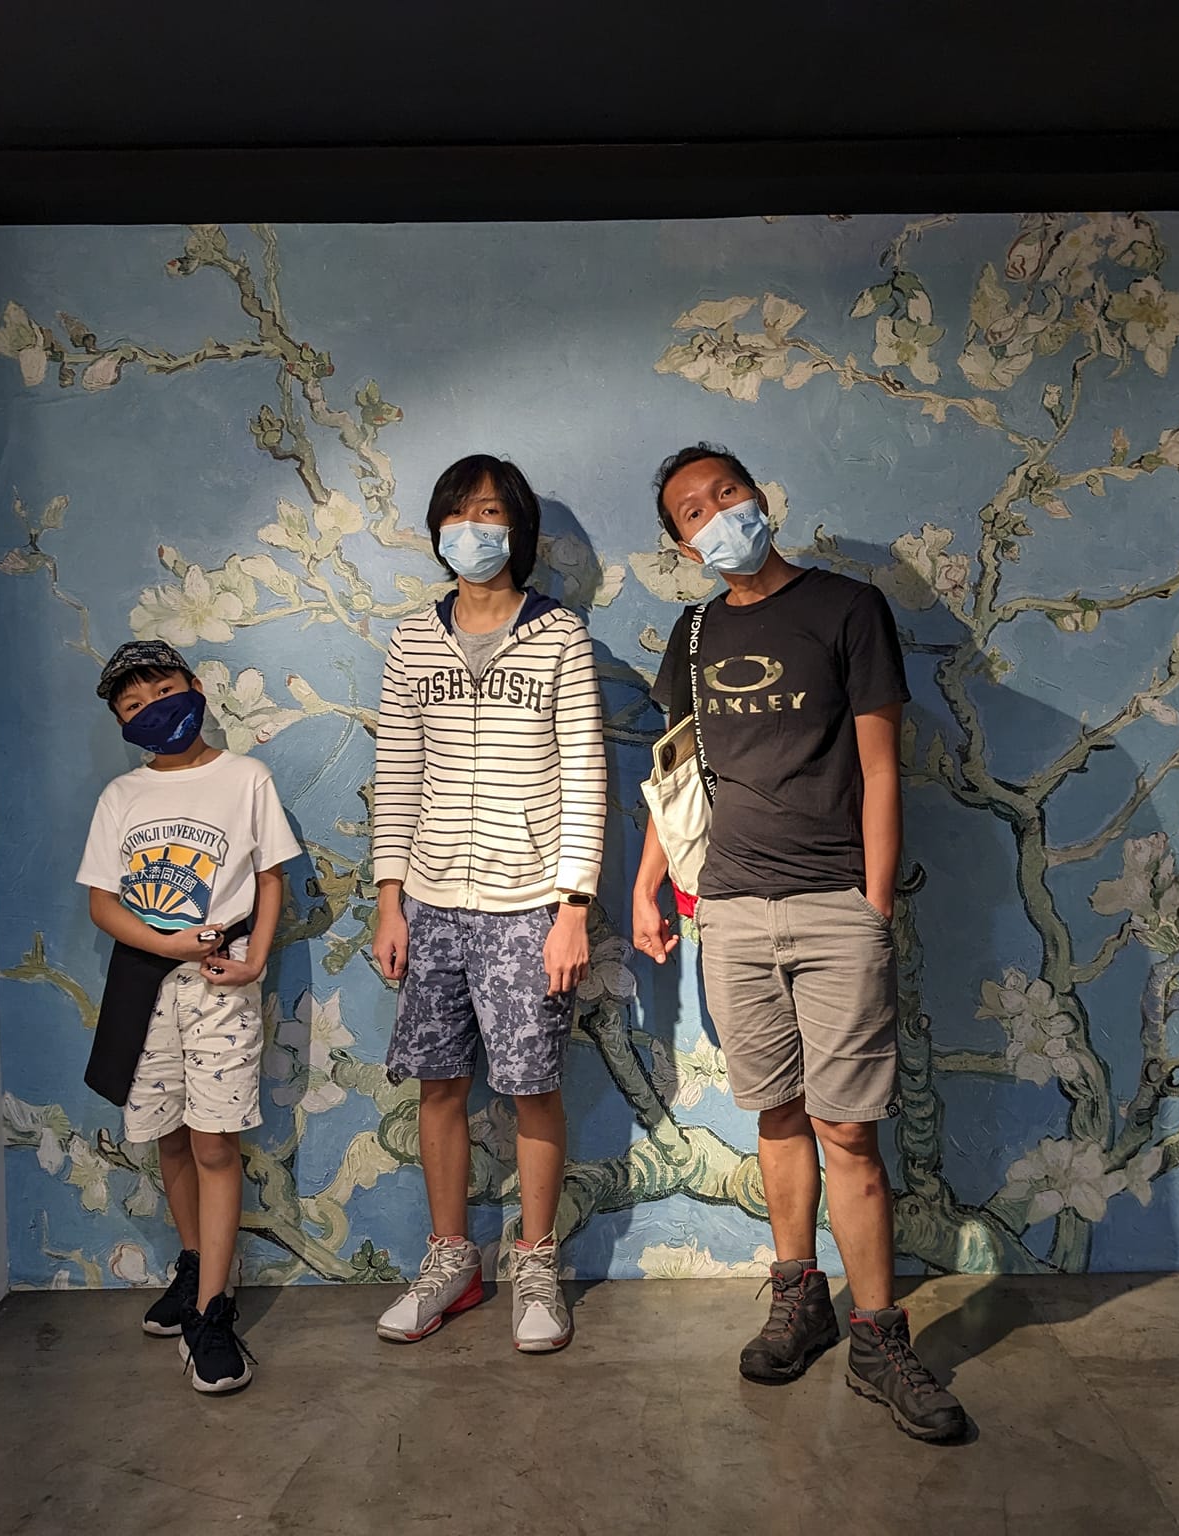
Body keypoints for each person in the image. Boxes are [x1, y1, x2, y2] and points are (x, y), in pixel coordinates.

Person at [631, 443, 969, 1444]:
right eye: (691, 512)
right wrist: (648, 884)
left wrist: (873, 904)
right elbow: (676, 774)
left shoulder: (846, 609)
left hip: (833, 904)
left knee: (847, 1130)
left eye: (724, 493)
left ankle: (878, 1337)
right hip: (730, 908)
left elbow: (880, 766)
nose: (715, 515)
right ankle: (798, 1298)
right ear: (682, 545)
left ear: (758, 496)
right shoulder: (693, 634)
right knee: (775, 1113)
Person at [370, 453, 608, 1353]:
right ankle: (450, 1260)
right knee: (440, 1084)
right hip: (430, 901)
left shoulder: (559, 636)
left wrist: (572, 908)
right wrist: (389, 901)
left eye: (492, 513)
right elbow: (397, 775)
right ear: (438, 528)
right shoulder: (411, 641)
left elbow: (585, 773)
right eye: (460, 512)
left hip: (529, 902)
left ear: (518, 531)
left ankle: (536, 1263)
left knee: (533, 1085)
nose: (474, 528)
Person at [76, 639, 299, 1394]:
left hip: (218, 981)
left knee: (213, 1140)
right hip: (143, 982)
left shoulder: (245, 778)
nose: (153, 710)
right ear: (120, 724)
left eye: (163, 692)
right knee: (168, 1134)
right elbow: (102, 901)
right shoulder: (122, 796)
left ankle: (212, 1313)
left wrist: (255, 959)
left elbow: (271, 878)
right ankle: (197, 1264)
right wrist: (164, 943)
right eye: (133, 706)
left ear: (195, 687)